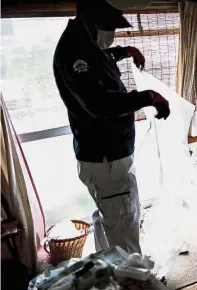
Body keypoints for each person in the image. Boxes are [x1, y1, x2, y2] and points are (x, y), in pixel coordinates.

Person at [53, 0, 170, 254]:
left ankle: (111, 272)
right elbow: (101, 104)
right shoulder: (73, 51)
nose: (112, 32)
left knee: (112, 219)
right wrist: (148, 97)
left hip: (105, 157)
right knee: (123, 226)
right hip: (106, 158)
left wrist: (124, 51)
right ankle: (133, 286)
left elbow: (100, 58)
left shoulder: (83, 42)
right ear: (91, 17)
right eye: (109, 26)